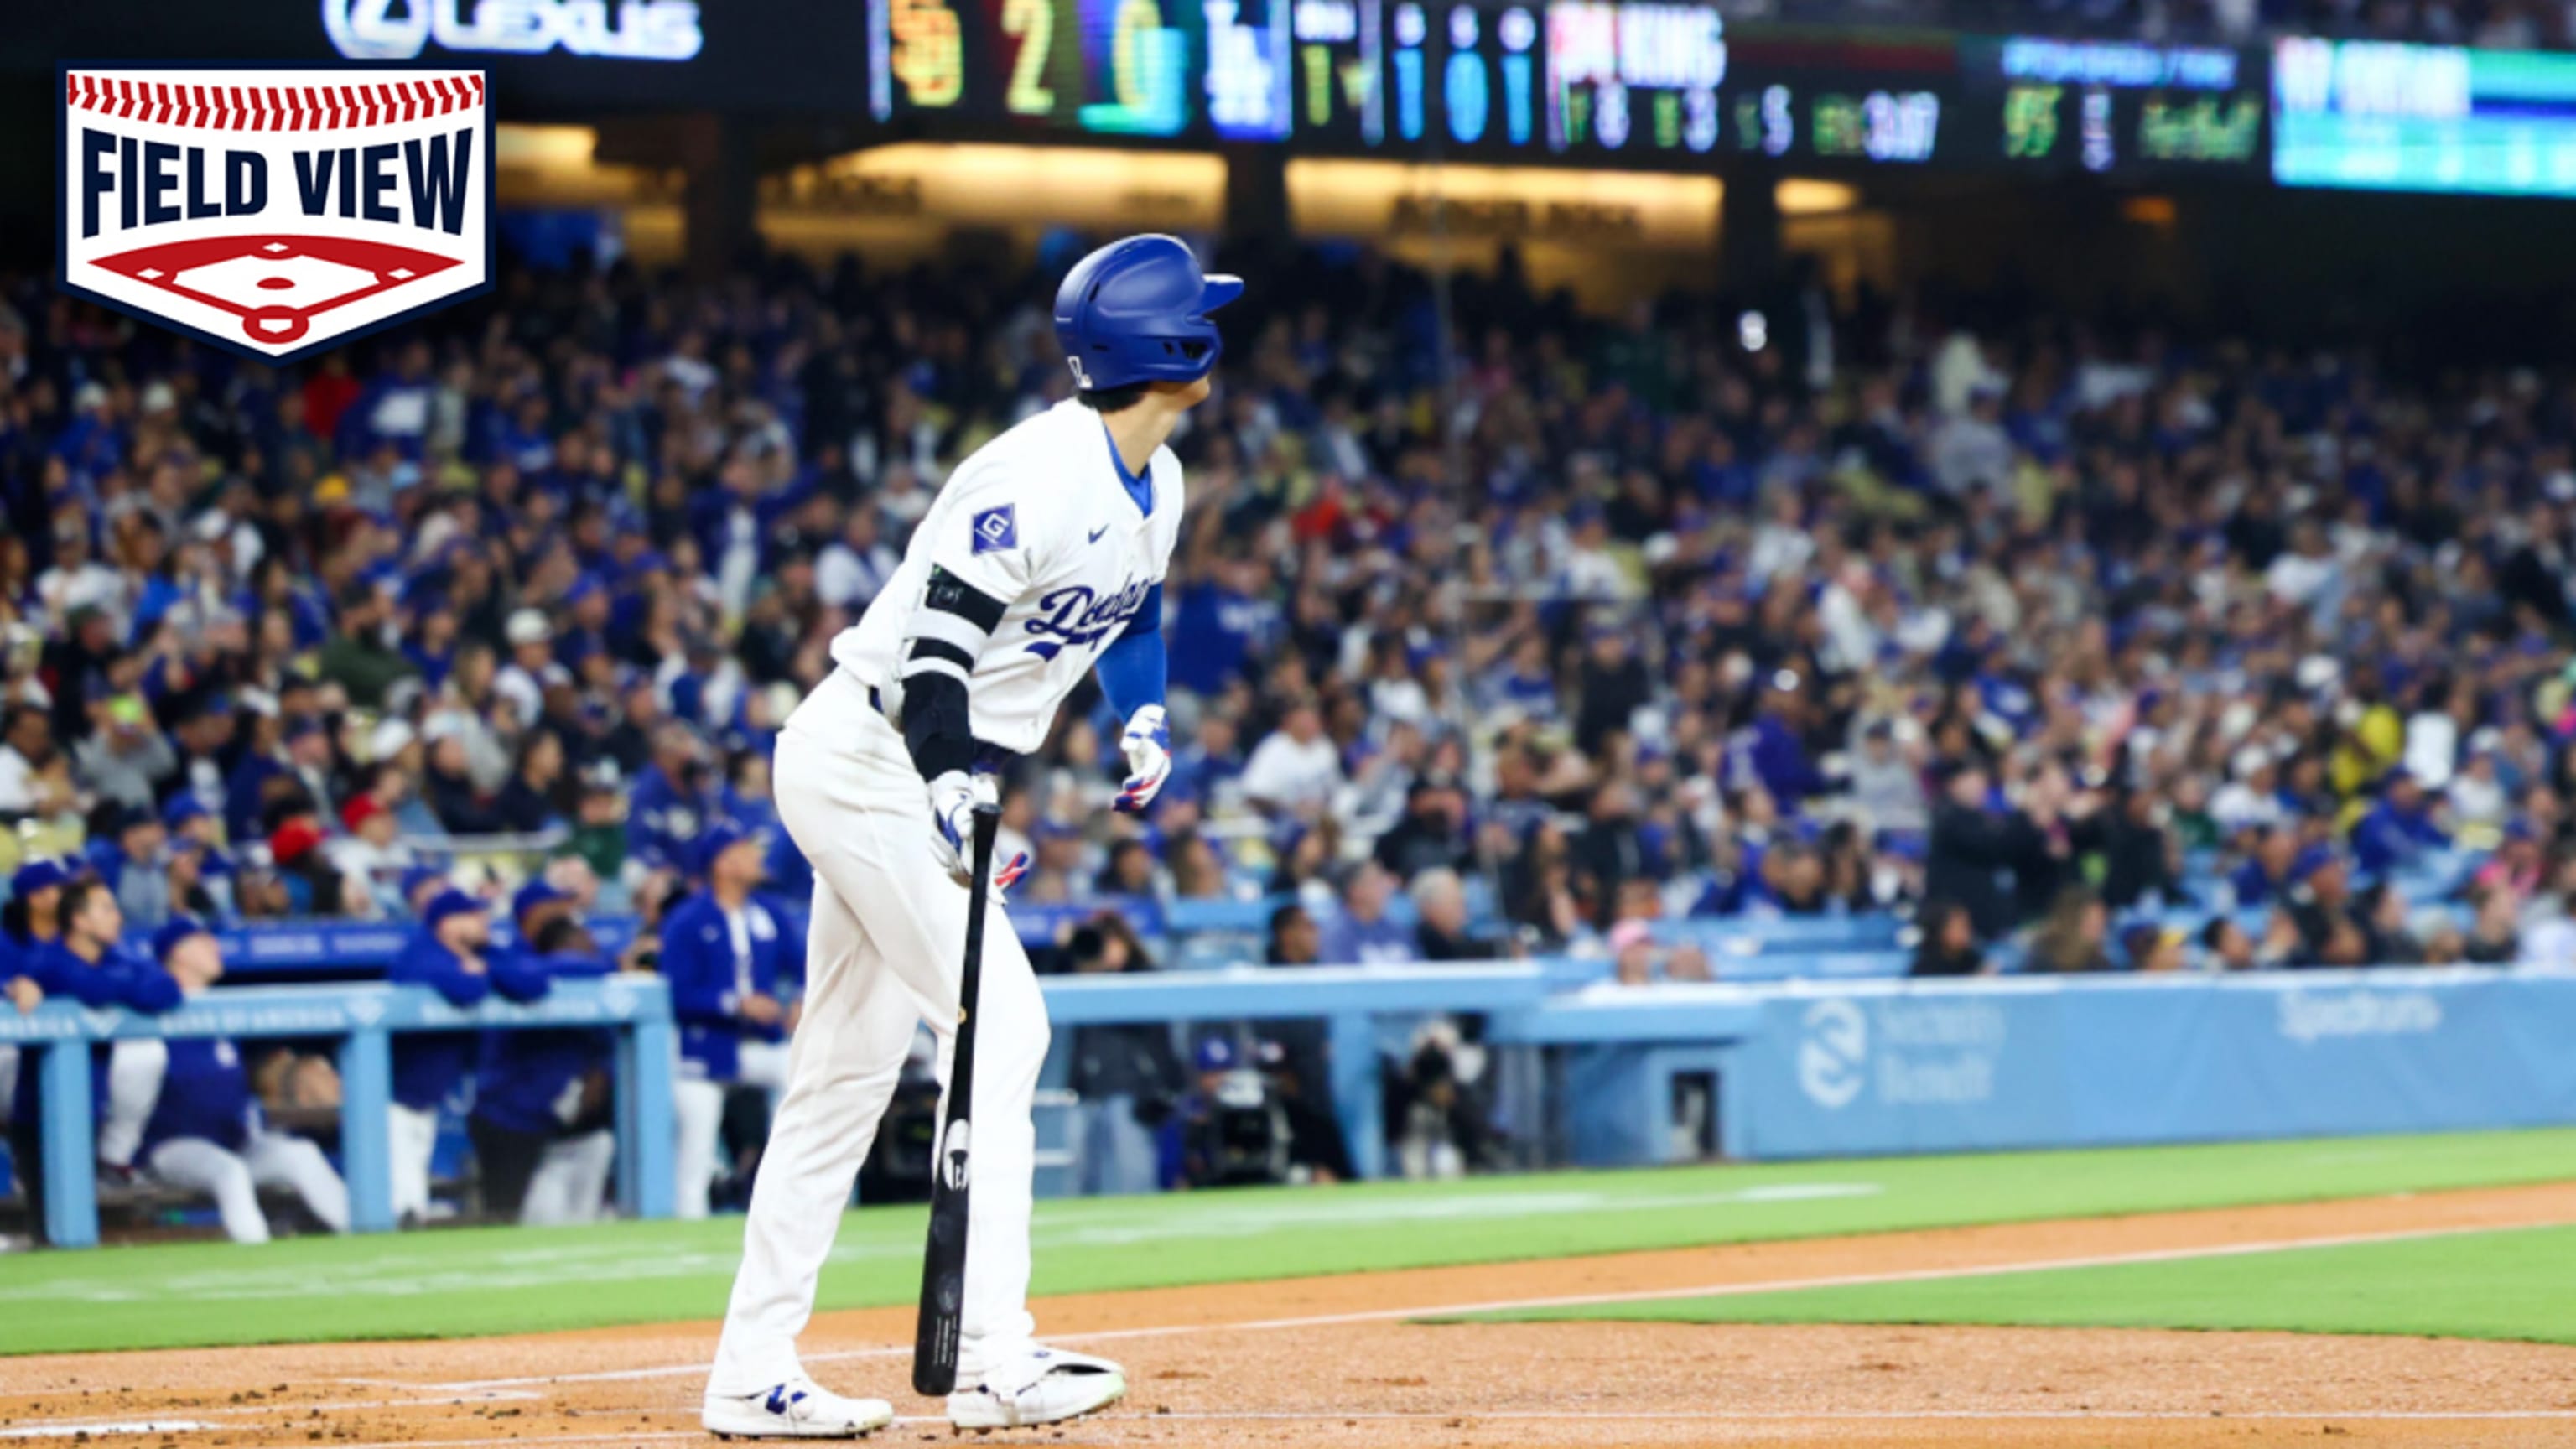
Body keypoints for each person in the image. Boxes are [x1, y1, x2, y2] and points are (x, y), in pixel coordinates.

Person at [704, 235, 1235, 1437]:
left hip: (917, 768)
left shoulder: (1163, 476)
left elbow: (1130, 611)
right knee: (1005, 1023)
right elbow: (936, 654)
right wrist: (948, 785)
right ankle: (999, 1359)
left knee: (840, 1080)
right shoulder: (1031, 474)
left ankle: (748, 1373)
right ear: (1173, 350)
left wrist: (1140, 712)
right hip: (868, 751)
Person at [138, 917, 350, 1243]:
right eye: (202, 941)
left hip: (234, 1143)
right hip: (171, 1147)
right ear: (177, 954)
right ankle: (256, 1254)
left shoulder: (220, 1011)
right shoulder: (151, 1012)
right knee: (230, 1172)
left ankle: (361, 1231)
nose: (215, 947)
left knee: (301, 1153)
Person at [8, 876, 181, 1243]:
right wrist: (124, 988)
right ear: (79, 920)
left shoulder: (115, 957)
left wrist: (119, 987)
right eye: (106, 909)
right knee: (53, 1230)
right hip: (39, 1117)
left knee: (83, 1228)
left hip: (88, 1112)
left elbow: (166, 989)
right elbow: (89, 986)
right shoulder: (49, 961)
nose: (117, 917)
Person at [662, 822, 800, 1219]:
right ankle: (689, 1226)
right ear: (723, 864)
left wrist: (801, 1000)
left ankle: (788, 1199)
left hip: (761, 1044)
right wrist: (735, 1004)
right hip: (703, 1049)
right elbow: (678, 993)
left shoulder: (768, 913)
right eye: (746, 850)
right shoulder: (688, 920)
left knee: (803, 1078)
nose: (757, 857)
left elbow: (807, 962)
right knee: (696, 1147)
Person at [388, 890, 548, 1225]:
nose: (484, 922)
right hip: (390, 1098)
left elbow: (532, 983)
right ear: (448, 923)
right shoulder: (420, 952)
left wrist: (482, 966)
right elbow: (465, 990)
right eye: (475, 916)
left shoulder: (480, 951)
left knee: (411, 1191)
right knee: (399, 1199)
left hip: (423, 1098)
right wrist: (477, 974)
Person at [468, 881, 619, 1226]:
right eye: (555, 906)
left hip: (566, 1112)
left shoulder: (575, 951)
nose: (566, 914)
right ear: (532, 915)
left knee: (575, 1218)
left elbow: (602, 972)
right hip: (509, 1113)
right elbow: (530, 980)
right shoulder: (512, 957)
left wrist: (601, 1068)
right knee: (505, 1217)